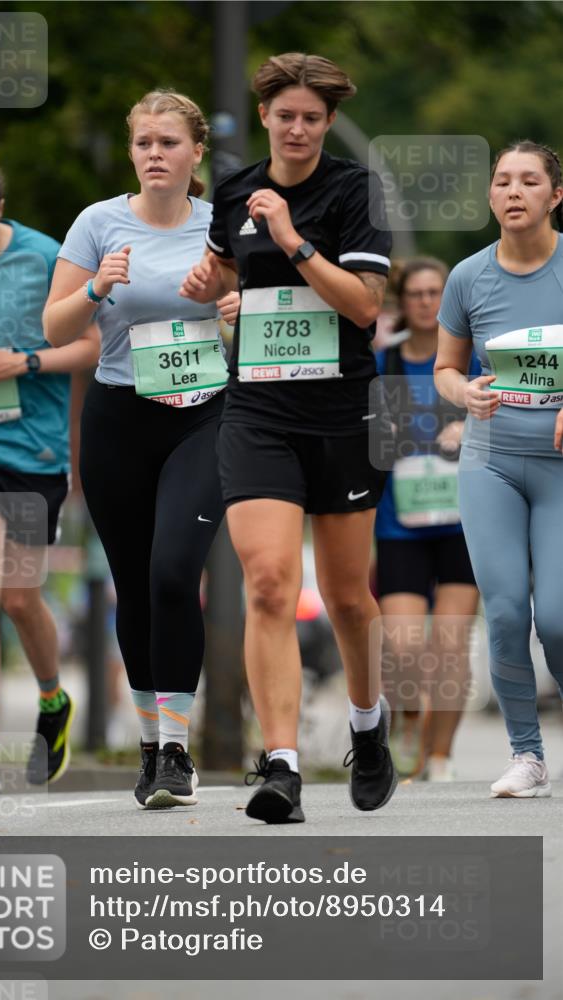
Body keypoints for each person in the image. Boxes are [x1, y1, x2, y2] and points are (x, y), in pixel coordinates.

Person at [181, 52, 395, 823]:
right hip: (258, 410)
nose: (297, 128)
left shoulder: (352, 190)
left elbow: (366, 307)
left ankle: (368, 732)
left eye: (311, 117)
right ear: (264, 115)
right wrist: (214, 290)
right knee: (268, 582)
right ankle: (280, 765)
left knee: (344, 595)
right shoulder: (234, 190)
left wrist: (295, 241)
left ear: (328, 123)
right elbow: (222, 271)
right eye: (284, 115)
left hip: (339, 411)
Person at [44, 91, 238, 809]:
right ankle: (153, 745)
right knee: (134, 583)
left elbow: (266, 316)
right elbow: (56, 325)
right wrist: (96, 285)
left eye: (168, 142)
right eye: (143, 142)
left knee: (171, 572)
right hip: (120, 415)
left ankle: (178, 750)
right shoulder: (99, 222)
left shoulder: (225, 224)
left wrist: (234, 309)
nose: (154, 153)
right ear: (132, 151)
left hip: (203, 415)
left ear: (195, 155)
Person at [0, 149, 100, 794]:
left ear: (1, 211)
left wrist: (25, 363)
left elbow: (89, 346)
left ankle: (53, 700)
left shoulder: (44, 257)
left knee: (19, 598)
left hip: (35, 452)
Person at [435, 140, 563, 798]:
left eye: (528, 181)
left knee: (559, 618)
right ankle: (525, 755)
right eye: (502, 181)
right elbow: (445, 369)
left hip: (559, 470)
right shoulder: (467, 277)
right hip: (491, 463)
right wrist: (465, 394)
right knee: (507, 612)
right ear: (490, 197)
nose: (513, 191)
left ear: (553, 196)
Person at [374, 258, 480, 781]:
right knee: (404, 647)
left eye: (435, 291)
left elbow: (502, 418)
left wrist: (470, 433)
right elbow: (365, 437)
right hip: (400, 525)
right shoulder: (383, 363)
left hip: (463, 525)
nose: (425, 301)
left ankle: (438, 757)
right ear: (402, 301)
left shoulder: (471, 361)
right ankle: (410, 718)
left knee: (450, 644)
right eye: (415, 292)